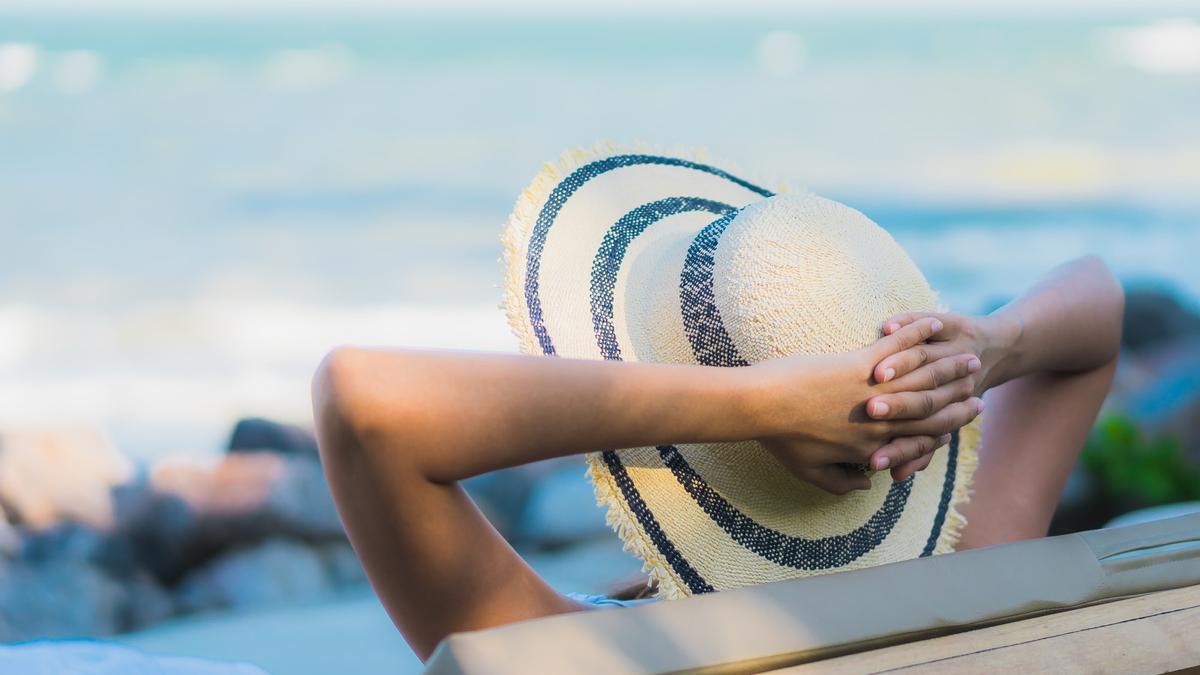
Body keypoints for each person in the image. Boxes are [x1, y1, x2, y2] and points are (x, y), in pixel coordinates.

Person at [309, 153, 1123, 661]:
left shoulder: (576, 652)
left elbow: (360, 401)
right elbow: (1097, 301)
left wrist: (766, 404)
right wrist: (991, 344)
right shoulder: (964, 584)